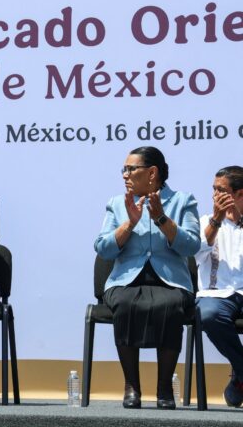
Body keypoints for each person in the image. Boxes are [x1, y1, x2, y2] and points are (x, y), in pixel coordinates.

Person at [95, 146, 200, 410]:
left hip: (171, 282)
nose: (125, 175)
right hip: (126, 281)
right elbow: (103, 249)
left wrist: (161, 218)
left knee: (170, 306)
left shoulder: (183, 201)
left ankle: (164, 388)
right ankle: (132, 386)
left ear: (152, 173)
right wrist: (129, 223)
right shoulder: (117, 204)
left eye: (131, 169)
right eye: (124, 169)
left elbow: (191, 246)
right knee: (126, 304)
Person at [194, 166, 243, 407]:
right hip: (216, 295)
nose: (215, 195)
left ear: (240, 194)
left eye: (221, 190)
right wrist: (216, 220)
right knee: (209, 315)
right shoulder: (205, 221)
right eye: (213, 189)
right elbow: (195, 255)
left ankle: (240, 376)